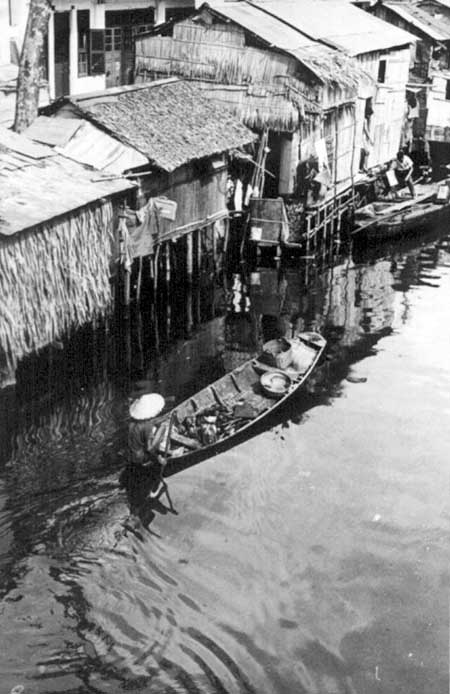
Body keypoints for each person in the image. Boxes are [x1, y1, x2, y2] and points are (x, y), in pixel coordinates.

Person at [128, 393, 167, 499]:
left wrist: (163, 418)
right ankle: (151, 494)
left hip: (132, 455)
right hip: (142, 458)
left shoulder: (131, 422)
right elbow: (149, 448)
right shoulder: (147, 426)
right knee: (163, 428)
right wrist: (158, 458)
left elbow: (148, 423)